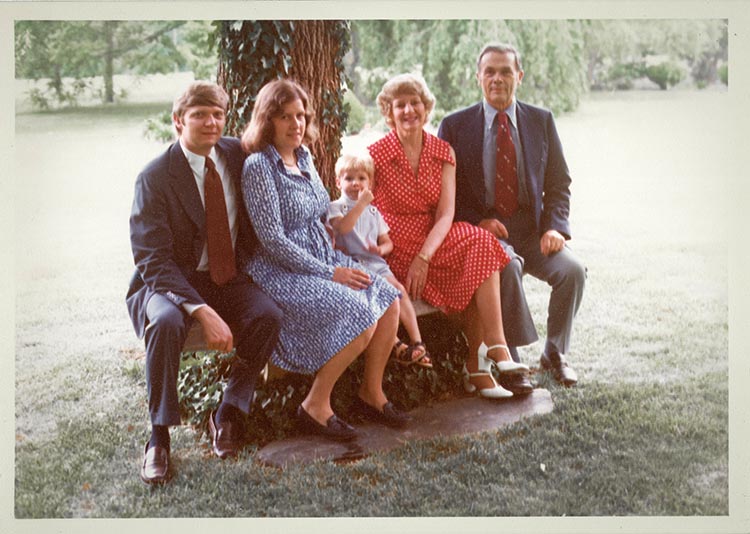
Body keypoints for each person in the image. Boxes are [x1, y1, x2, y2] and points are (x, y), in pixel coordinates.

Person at [127, 81, 283, 485]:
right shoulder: (155, 177)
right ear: (179, 121)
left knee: (268, 315)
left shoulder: (234, 153)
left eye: (217, 114)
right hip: (166, 283)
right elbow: (152, 259)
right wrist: (200, 310)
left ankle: (229, 410)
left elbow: (282, 142)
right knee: (165, 323)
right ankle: (158, 438)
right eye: (199, 115)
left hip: (225, 277)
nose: (211, 122)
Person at [240, 79, 407, 442]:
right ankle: (315, 406)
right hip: (283, 271)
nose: (296, 124)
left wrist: (336, 250)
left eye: (300, 115)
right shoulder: (259, 166)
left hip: (324, 257)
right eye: (285, 116)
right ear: (268, 119)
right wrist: (331, 272)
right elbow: (272, 240)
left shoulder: (305, 158)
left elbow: (318, 212)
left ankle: (371, 394)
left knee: (390, 299)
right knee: (360, 313)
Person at [368, 73, 529, 400]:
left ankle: (496, 346)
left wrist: (425, 257)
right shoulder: (376, 155)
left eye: (415, 103)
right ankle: (477, 368)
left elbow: (445, 214)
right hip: (396, 248)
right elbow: (361, 210)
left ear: (426, 109)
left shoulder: (443, 152)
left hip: (432, 241)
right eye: (400, 105)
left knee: (482, 244)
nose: (409, 110)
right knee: (474, 275)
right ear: (389, 113)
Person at [438, 43, 586, 388]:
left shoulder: (541, 120)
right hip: (487, 235)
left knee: (573, 271)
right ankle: (512, 364)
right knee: (507, 267)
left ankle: (555, 353)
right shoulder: (456, 126)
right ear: (478, 78)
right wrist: (477, 222)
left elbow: (559, 182)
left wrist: (555, 228)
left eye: (505, 71)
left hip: (533, 231)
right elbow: (445, 194)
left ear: (519, 76)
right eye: (489, 71)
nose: (497, 79)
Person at [328, 151, 432, 368]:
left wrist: (380, 249)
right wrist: (361, 204)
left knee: (399, 290)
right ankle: (396, 345)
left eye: (361, 178)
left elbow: (388, 242)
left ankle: (418, 343)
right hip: (351, 264)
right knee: (382, 295)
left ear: (370, 183)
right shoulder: (336, 207)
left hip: (375, 263)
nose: (356, 184)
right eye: (349, 178)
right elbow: (344, 229)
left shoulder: (374, 212)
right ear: (338, 182)